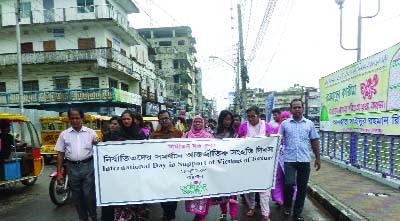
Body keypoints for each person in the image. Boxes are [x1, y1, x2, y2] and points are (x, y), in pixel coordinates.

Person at [279, 99, 321, 221]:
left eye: (299, 107)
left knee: (302, 187)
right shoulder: (285, 124)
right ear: (291, 109)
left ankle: (297, 212)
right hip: (289, 159)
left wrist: (318, 158)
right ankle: (287, 205)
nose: (297, 109)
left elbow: (314, 141)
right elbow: (278, 140)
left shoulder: (309, 124)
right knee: (289, 183)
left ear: (303, 109)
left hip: (304, 159)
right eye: (294, 107)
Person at [55, 107, 99, 221]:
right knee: (77, 197)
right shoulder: (64, 134)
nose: (75, 120)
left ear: (82, 118)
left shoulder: (91, 133)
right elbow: (60, 154)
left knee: (88, 195)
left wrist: (97, 143)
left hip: (88, 166)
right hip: (72, 168)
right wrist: (59, 173)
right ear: (69, 119)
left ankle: (93, 217)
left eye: (77, 118)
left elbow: (100, 149)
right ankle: (83, 218)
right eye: (72, 118)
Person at [237, 106, 272, 221]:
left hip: (263, 163)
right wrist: (242, 139)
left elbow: (272, 142)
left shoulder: (266, 126)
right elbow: (238, 142)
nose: (251, 119)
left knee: (264, 189)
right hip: (248, 163)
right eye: (248, 117)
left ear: (258, 115)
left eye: (253, 116)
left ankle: (265, 214)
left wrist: (268, 138)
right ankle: (251, 207)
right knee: (249, 188)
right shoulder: (243, 126)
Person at [150, 110, 183, 221]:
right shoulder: (154, 135)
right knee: (162, 193)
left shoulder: (177, 133)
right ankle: (166, 213)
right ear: (159, 120)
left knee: (173, 194)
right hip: (160, 171)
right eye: (162, 119)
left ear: (170, 119)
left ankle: (171, 214)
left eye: (166, 118)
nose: (164, 120)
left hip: (174, 170)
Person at [182, 115, 214, 221]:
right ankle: (196, 212)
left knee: (203, 192)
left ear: (203, 123)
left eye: (200, 122)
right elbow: (180, 149)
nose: (198, 124)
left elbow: (213, 151)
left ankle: (201, 215)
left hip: (204, 169)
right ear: (192, 123)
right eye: (196, 122)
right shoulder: (186, 135)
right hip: (190, 169)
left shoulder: (209, 136)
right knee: (192, 191)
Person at [214, 110, 238, 221]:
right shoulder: (214, 134)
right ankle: (223, 213)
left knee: (233, 194)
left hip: (232, 168)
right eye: (226, 119)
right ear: (221, 120)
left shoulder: (235, 134)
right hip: (219, 168)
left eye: (230, 119)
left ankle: (233, 215)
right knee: (222, 194)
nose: (228, 122)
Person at [269, 111, 292, 206]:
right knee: (278, 178)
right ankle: (278, 198)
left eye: (287, 117)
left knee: (291, 179)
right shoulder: (276, 129)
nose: (285, 118)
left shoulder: (292, 128)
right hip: (278, 157)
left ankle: (291, 196)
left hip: (290, 157)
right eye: (283, 117)